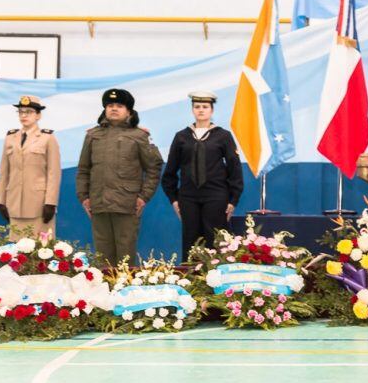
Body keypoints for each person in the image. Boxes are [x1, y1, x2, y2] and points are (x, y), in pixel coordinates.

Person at [76, 89, 163, 265]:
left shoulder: (139, 136)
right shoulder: (93, 135)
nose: (114, 109)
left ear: (129, 111)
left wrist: (143, 197)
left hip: (127, 204)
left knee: (125, 258)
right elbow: (84, 169)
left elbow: (154, 168)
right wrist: (84, 197)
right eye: (110, 105)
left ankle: (125, 291)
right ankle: (104, 291)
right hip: (99, 204)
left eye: (119, 106)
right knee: (102, 259)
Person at [161, 91, 244, 261]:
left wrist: (233, 199)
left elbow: (235, 170)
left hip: (216, 196)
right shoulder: (181, 137)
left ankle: (216, 279)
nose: (201, 110)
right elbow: (169, 172)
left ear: (211, 110)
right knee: (191, 241)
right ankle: (192, 281)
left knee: (216, 240)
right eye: (197, 106)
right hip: (189, 197)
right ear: (192, 110)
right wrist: (174, 199)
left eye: (205, 107)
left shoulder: (223, 136)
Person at [0, 95, 61, 239]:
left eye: (29, 112)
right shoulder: (10, 138)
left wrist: (50, 202)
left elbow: (53, 173)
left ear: (38, 115)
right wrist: (0, 200)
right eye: (21, 112)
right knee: (17, 253)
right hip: (14, 203)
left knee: (41, 251)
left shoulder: (48, 138)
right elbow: (4, 171)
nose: (24, 115)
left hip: (39, 205)